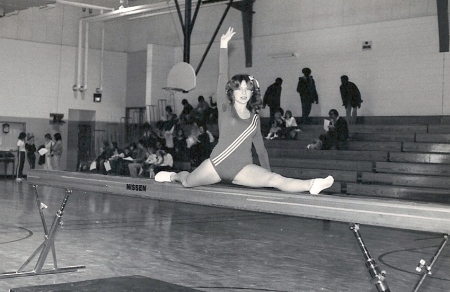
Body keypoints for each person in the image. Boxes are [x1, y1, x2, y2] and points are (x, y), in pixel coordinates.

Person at [155, 27, 333, 195]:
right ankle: (172, 176)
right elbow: (222, 75)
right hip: (216, 164)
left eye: (247, 89)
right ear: (231, 92)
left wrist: (267, 176)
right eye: (238, 88)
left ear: (251, 93)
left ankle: (313, 184)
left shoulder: (255, 119)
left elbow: (261, 150)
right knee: (187, 182)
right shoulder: (225, 108)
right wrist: (223, 46)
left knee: (275, 179)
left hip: (242, 168)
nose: (243, 92)